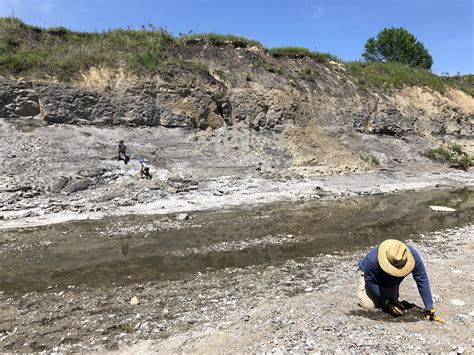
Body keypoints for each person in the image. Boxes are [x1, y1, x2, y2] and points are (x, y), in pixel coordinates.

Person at [357, 239, 440, 321]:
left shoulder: (412, 256)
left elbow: (422, 279)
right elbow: (370, 281)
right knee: (368, 305)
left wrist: (429, 308)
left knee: (391, 305)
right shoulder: (373, 260)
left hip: (391, 281)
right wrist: (387, 299)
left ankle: (387, 297)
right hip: (371, 278)